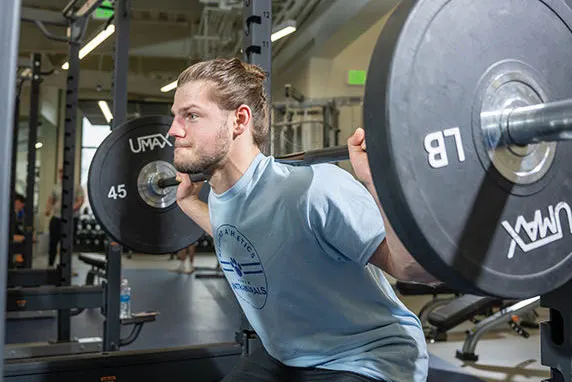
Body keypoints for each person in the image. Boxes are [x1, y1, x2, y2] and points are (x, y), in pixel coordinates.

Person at [168, 58, 438, 382]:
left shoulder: (313, 188)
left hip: (367, 356)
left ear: (240, 120)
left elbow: (416, 272)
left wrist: (377, 183)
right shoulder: (224, 196)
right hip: (288, 357)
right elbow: (243, 237)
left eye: (192, 116)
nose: (174, 130)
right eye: (176, 117)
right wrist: (187, 203)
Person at [45, 168, 85, 267]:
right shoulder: (56, 187)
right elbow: (50, 199)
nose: (62, 174)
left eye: (64, 172)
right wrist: (48, 209)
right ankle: (50, 265)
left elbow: (80, 201)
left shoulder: (76, 187)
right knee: (53, 243)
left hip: (71, 219)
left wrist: (71, 209)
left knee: (67, 244)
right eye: (60, 172)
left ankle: (66, 267)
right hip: (57, 218)